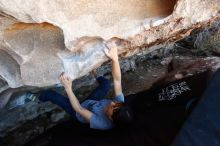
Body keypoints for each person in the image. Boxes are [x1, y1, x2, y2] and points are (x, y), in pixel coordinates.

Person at [33, 41, 133, 130]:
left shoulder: (102, 123)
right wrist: (115, 59)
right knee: (106, 84)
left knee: (51, 95)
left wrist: (68, 88)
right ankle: (95, 74)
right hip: (92, 102)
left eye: (112, 108)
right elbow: (117, 80)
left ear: (110, 118)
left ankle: (37, 98)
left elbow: (79, 109)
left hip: (79, 112)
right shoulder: (119, 104)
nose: (112, 103)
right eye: (116, 104)